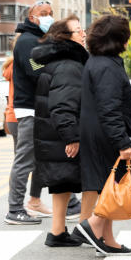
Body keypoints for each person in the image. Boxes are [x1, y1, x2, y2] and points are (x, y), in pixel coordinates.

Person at [75, 14, 131, 256]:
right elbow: (109, 107)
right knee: (115, 184)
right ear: (118, 40)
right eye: (126, 36)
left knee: (109, 186)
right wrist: (122, 142)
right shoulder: (107, 66)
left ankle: (107, 239)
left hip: (98, 133)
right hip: (107, 136)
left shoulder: (99, 61)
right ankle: (92, 225)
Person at [7, 0, 81, 224]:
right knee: (26, 160)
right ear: (32, 18)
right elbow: (35, 69)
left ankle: (69, 203)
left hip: (40, 107)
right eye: (43, 13)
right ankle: (14, 209)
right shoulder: (27, 41)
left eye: (50, 13)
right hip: (30, 108)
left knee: (46, 157)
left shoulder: (40, 39)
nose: (48, 16)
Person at [31, 16, 91, 247]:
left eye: (82, 29)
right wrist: (72, 136)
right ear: (65, 38)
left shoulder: (58, 61)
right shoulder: (69, 65)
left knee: (62, 183)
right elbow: (63, 105)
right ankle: (87, 229)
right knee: (90, 182)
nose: (83, 34)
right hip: (64, 132)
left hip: (53, 132)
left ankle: (57, 232)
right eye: (77, 31)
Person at [3, 49, 46, 215]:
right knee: (25, 163)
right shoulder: (24, 63)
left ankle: (34, 201)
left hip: (13, 115)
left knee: (32, 161)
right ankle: (17, 207)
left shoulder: (13, 64)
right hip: (22, 115)